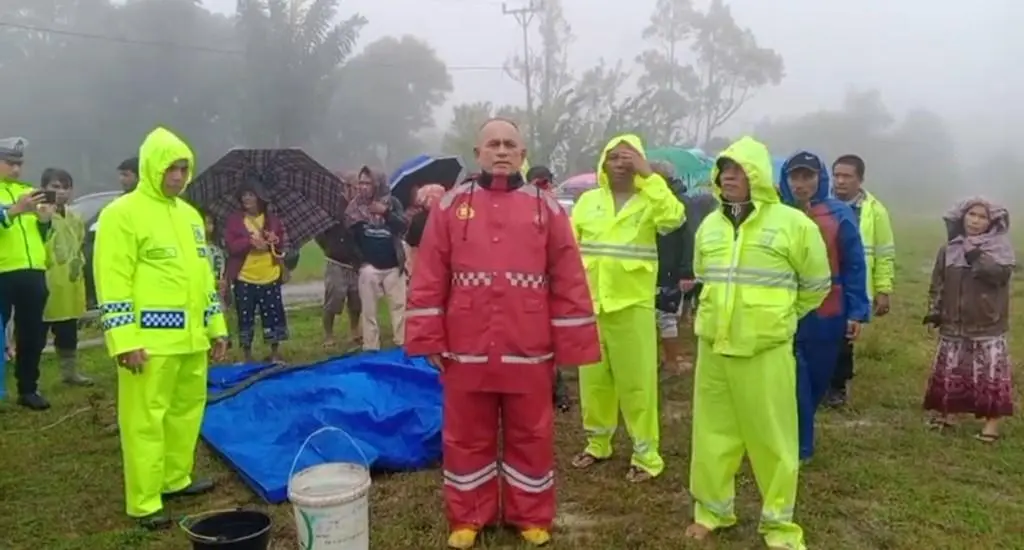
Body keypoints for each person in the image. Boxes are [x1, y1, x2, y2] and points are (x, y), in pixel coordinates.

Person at [405, 118, 600, 549]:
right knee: (465, 435)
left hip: (528, 348)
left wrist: (569, 343)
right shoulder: (450, 206)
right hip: (465, 348)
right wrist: (429, 337)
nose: (501, 151)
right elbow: (429, 275)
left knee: (532, 434)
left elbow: (568, 276)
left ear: (522, 153)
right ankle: (468, 516)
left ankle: (529, 514)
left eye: (510, 144)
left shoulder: (546, 208)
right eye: (492, 143)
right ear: (477, 153)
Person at [685, 137, 831, 550]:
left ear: (757, 175)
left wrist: (776, 319)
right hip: (714, 347)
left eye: (737, 170)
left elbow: (816, 287)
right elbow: (702, 276)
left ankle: (779, 525)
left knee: (773, 439)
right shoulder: (711, 225)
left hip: (765, 350)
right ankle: (713, 511)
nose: (727, 177)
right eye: (723, 170)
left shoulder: (793, 224)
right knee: (712, 434)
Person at [93, 126, 228, 529]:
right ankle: (145, 499)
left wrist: (216, 326)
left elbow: (204, 277)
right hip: (148, 344)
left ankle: (175, 478)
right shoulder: (121, 214)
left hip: (191, 341)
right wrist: (124, 339)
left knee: (186, 412)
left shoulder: (189, 216)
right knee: (144, 420)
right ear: (152, 167)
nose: (178, 176)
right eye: (171, 168)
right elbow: (112, 280)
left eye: (184, 168)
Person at [570, 134, 685, 483]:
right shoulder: (588, 201)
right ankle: (598, 442)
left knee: (637, 384)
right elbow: (570, 249)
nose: (620, 163)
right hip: (591, 304)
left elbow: (674, 219)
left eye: (628, 157)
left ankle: (646, 454)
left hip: (632, 305)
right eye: (613, 156)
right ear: (603, 162)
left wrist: (649, 176)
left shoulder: (650, 200)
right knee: (593, 381)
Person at [777, 152, 869, 461]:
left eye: (808, 177)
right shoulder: (774, 213)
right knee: (792, 378)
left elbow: (854, 264)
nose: (801, 184)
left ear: (820, 179)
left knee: (816, 380)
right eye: (795, 177)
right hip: (783, 308)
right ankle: (798, 445)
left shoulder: (839, 214)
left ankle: (800, 429)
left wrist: (857, 311)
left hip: (828, 310)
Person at [923, 197, 1014, 442]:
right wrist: (935, 310)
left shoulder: (999, 248)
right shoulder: (949, 248)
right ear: (962, 217)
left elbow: (999, 276)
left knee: (989, 374)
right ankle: (948, 415)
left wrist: (975, 254)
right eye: (971, 215)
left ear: (992, 221)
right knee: (952, 369)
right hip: (953, 322)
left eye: (982, 216)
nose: (975, 221)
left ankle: (991, 425)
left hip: (987, 323)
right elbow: (938, 283)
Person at [827, 154, 895, 406]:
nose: (841, 181)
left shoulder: (875, 211)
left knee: (845, 335)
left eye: (847, 176)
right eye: (837, 175)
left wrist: (883, 289)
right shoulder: (820, 205)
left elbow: (884, 251)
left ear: (860, 180)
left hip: (854, 282)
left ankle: (837, 387)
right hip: (822, 280)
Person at [0, 137, 55, 410]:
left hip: (33, 271)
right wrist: (13, 211)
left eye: (19, 164)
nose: (16, 170)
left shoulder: (29, 191)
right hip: (2, 271)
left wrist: (45, 219)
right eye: (10, 163)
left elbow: (41, 235)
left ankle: (28, 388)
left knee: (32, 333)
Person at [525, 165, 572, 411]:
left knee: (549, 343)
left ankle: (558, 392)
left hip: (549, 283)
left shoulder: (555, 210)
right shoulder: (521, 207)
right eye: (538, 184)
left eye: (546, 184)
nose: (543, 189)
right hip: (526, 287)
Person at [224, 186, 289, 364]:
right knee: (245, 315)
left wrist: (274, 240)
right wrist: (250, 242)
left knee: (273, 313)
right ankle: (247, 355)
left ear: (260, 197)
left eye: (251, 194)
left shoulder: (272, 221)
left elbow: (281, 245)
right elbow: (231, 246)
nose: (247, 198)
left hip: (270, 274)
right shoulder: (235, 221)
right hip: (245, 277)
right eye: (244, 194)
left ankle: (274, 353)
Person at [40, 168, 93, 386]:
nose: (61, 192)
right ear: (44, 188)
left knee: (68, 332)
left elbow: (79, 244)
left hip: (70, 283)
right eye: (55, 187)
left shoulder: (75, 217)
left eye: (66, 187)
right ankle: (31, 380)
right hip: (45, 281)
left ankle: (70, 373)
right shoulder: (37, 214)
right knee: (36, 334)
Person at [346, 167, 408, 351]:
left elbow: (403, 226)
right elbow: (350, 239)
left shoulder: (392, 202)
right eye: (361, 183)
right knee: (369, 309)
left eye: (367, 183)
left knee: (399, 306)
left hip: (393, 264)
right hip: (369, 267)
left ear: (377, 184)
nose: (363, 187)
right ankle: (371, 345)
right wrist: (360, 262)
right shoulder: (354, 207)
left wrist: (386, 213)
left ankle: (402, 343)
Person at [648, 160, 691, 373]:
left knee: (666, 315)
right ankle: (658, 359)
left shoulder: (680, 202)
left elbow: (689, 238)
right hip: (652, 268)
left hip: (669, 268)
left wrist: (686, 270)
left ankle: (672, 361)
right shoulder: (647, 200)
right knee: (653, 316)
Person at [314, 221, 363, 349]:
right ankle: (329, 335)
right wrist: (330, 248)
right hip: (335, 261)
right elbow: (318, 233)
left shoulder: (359, 211)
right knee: (334, 296)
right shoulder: (332, 211)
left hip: (355, 261)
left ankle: (354, 330)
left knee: (356, 297)